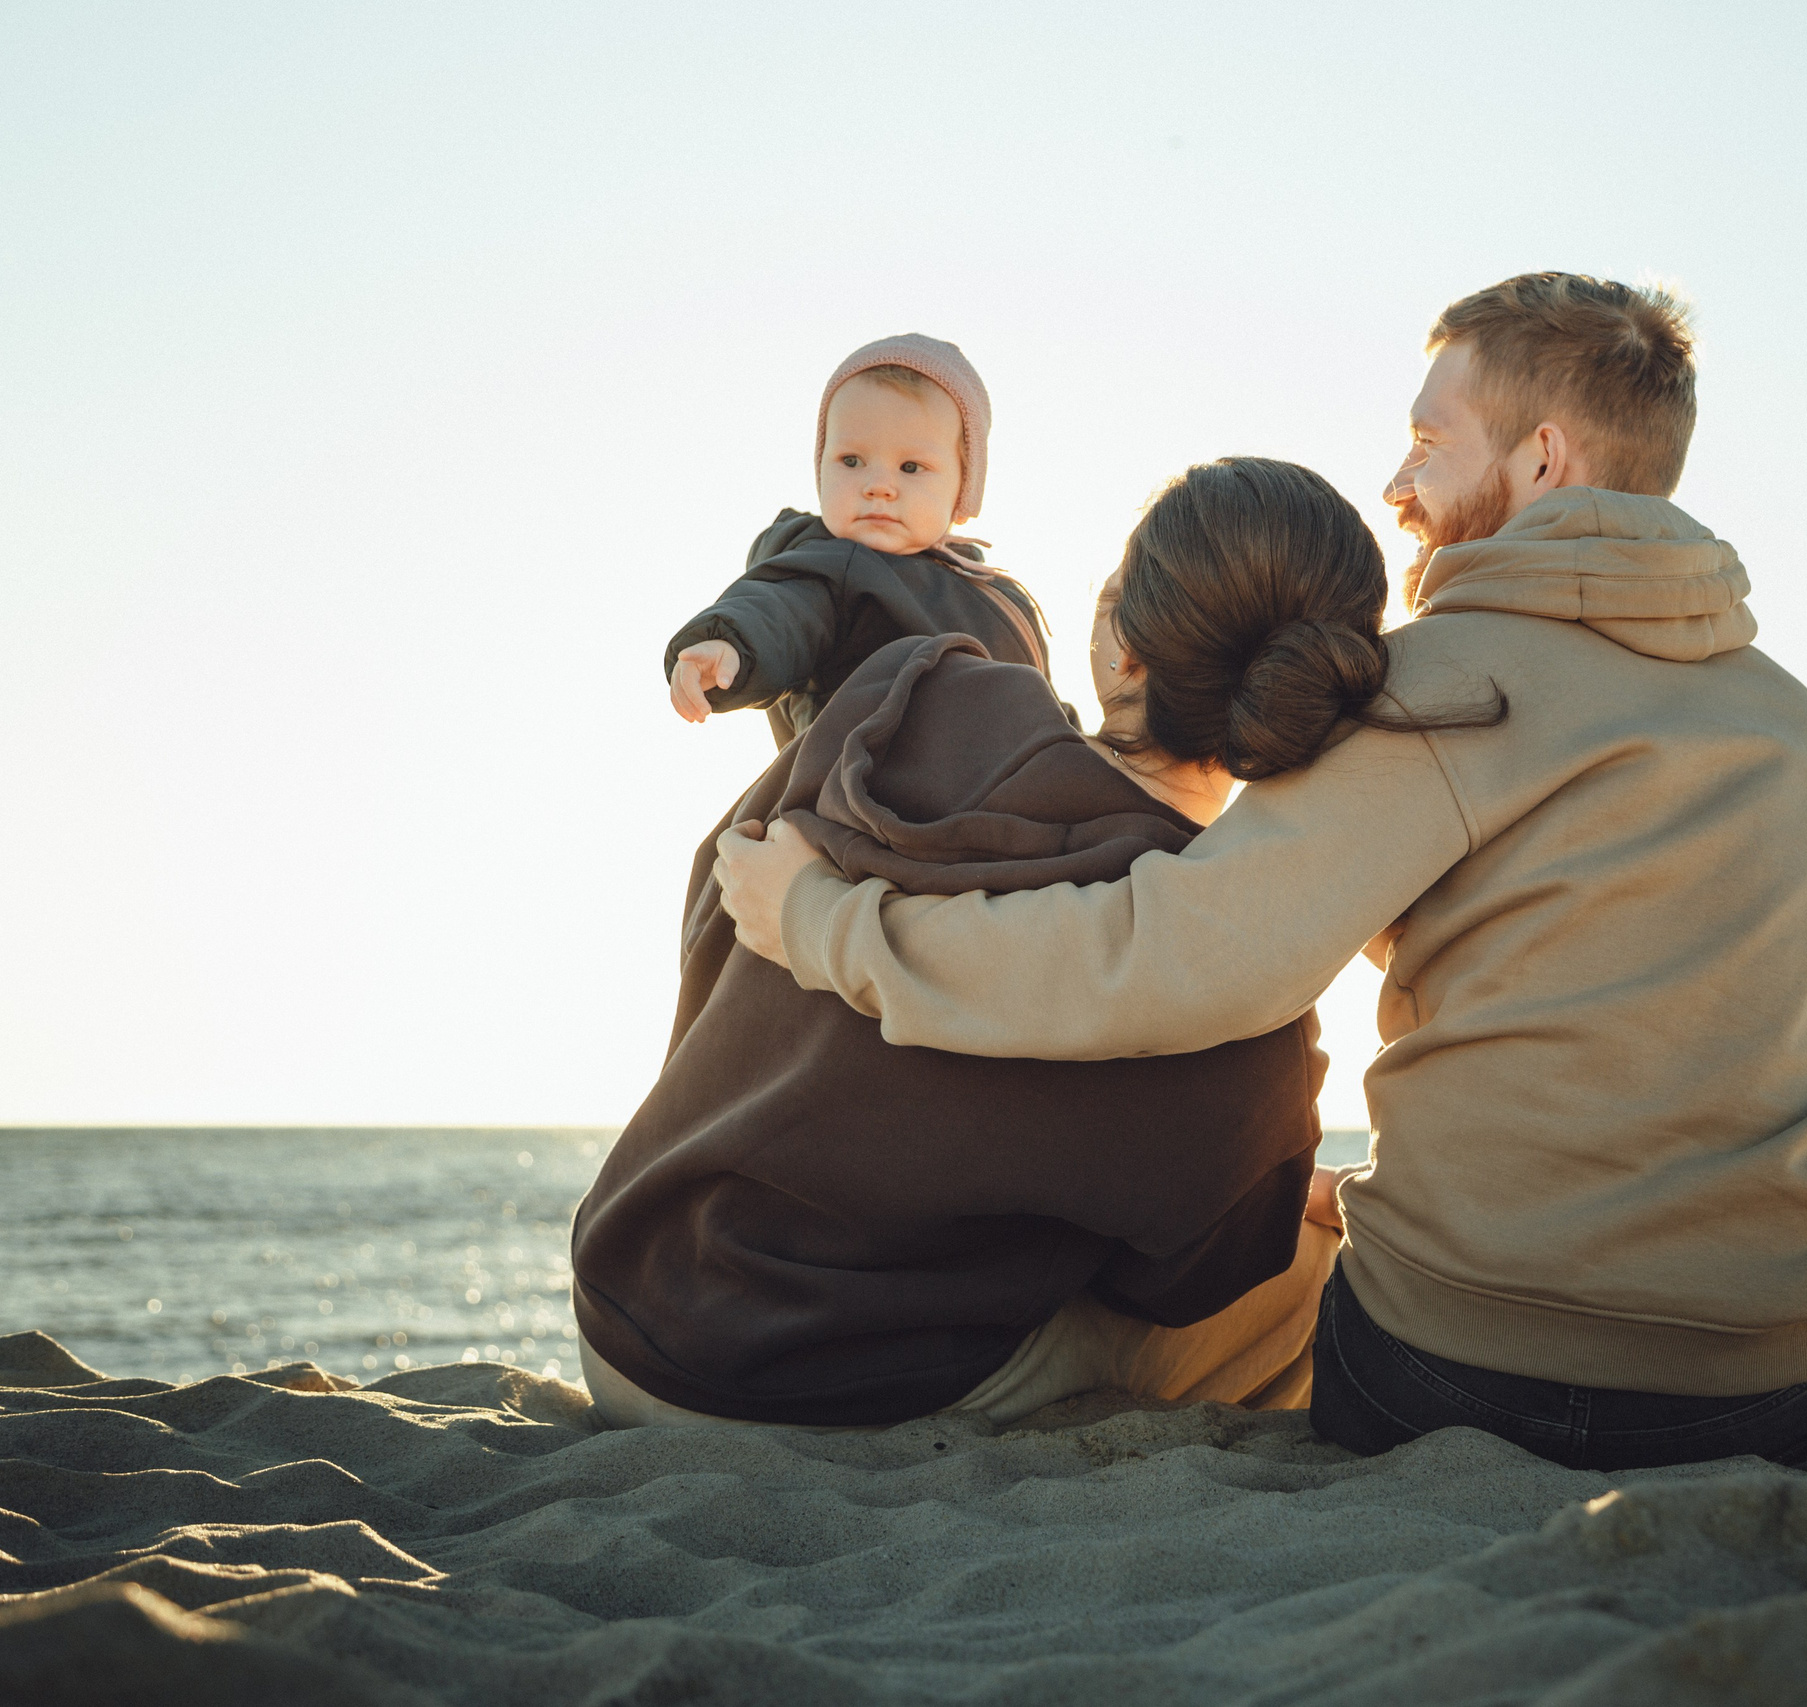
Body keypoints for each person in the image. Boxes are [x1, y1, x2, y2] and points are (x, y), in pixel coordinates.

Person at [714, 273, 1807, 1473]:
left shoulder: (1449, 688)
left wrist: (825, 924)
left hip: (1490, 1380)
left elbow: (1170, 958)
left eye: (1428, 445)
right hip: (1801, 1383)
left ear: (1544, 459)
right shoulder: (1793, 724)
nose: (1396, 486)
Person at [574, 458, 1490, 1430]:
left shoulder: (907, 691)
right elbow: (1183, 1281)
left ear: (1114, 636)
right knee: (1305, 1278)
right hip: (807, 1400)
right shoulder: (1246, 997)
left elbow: (723, 905)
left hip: (627, 1316)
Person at [663, 334, 1057, 748]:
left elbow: (1043, 706)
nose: (878, 486)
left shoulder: (998, 593)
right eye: (851, 461)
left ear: (963, 486)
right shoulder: (830, 568)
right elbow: (784, 613)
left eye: (910, 467)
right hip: (864, 790)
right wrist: (733, 644)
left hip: (1004, 790)